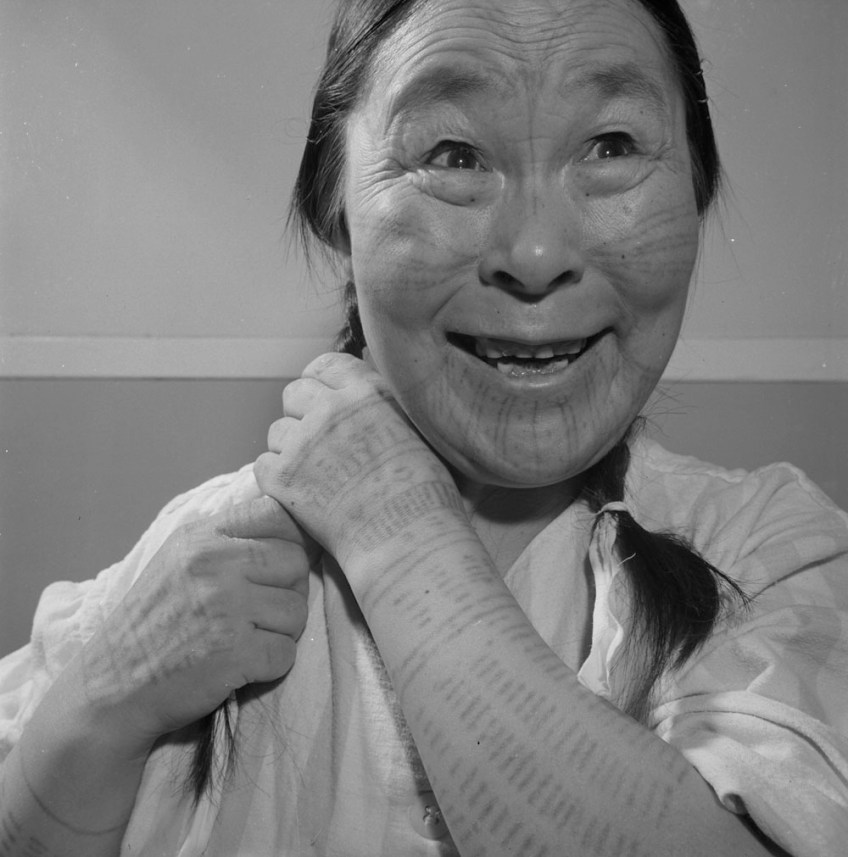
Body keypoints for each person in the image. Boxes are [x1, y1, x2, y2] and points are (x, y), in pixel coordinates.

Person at [0, 0, 846, 854]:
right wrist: (97, 701)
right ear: (334, 206)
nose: (536, 253)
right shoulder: (194, 555)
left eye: (612, 146)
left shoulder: (777, 555)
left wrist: (398, 530)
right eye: (452, 154)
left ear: (698, 193)